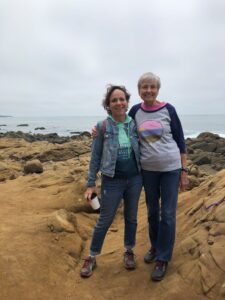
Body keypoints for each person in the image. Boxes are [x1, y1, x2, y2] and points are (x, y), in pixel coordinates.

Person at [129, 72, 189, 281]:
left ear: (158, 89)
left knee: (168, 214)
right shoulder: (135, 111)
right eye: (144, 87)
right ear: (139, 90)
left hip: (171, 169)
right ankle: (155, 247)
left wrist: (184, 171)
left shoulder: (168, 109)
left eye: (152, 87)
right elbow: (121, 128)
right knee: (152, 212)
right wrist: (98, 130)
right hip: (148, 170)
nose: (148, 90)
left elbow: (181, 141)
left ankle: (163, 258)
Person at [80, 85, 142, 278]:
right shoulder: (102, 127)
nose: (118, 103)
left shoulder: (134, 123)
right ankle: (91, 256)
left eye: (122, 99)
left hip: (135, 179)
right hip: (111, 180)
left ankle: (128, 251)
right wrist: (91, 183)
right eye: (114, 100)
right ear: (108, 104)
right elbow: (95, 156)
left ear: (127, 101)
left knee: (131, 217)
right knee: (105, 219)